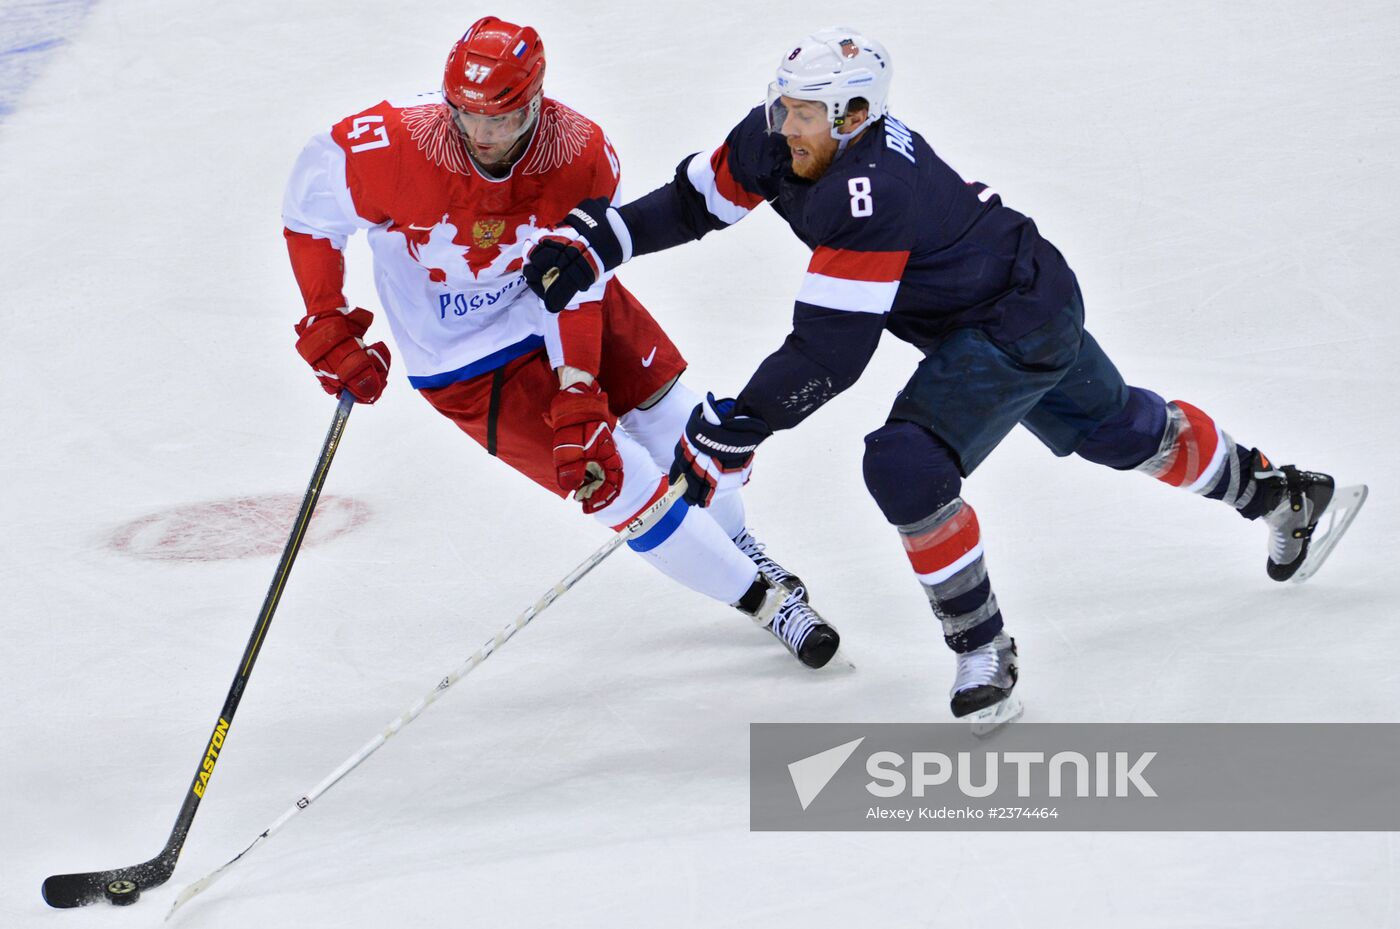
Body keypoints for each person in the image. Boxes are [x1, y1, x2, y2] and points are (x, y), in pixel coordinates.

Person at [523, 26, 1368, 726]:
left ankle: (980, 645)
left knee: (904, 462)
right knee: (1120, 431)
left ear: (856, 115)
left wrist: (734, 425)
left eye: (805, 113)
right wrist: (604, 242)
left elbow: (829, 354)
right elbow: (694, 202)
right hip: (1023, 287)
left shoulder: (870, 188)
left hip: (1012, 320)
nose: (785, 126)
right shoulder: (786, 135)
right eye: (782, 104)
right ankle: (1282, 495)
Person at [280, 17, 841, 669]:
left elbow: (579, 278)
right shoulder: (382, 145)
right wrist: (325, 318)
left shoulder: (583, 155)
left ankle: (739, 540)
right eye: (466, 114)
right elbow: (308, 213)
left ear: (537, 102)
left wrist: (579, 392)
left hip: (560, 300)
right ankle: (767, 604)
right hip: (465, 358)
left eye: (503, 118)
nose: (482, 135)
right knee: (612, 483)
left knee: (676, 434)